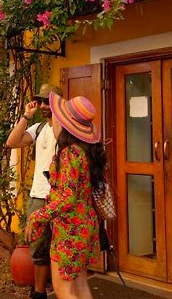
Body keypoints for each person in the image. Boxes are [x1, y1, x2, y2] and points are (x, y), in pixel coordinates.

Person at [25, 93, 107, 299]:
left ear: (65, 125)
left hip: (70, 230)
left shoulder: (69, 153)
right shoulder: (86, 151)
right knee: (80, 285)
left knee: (63, 289)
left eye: (56, 118)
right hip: (85, 226)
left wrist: (37, 216)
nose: (53, 121)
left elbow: (67, 197)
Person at [5, 83, 63, 299]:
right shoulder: (38, 128)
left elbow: (62, 139)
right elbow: (12, 142)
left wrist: (57, 113)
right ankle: (39, 293)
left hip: (60, 197)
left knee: (60, 247)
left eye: (49, 101)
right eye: (42, 101)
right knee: (38, 248)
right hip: (39, 195)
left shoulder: (65, 126)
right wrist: (27, 115)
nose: (44, 105)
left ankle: (61, 290)